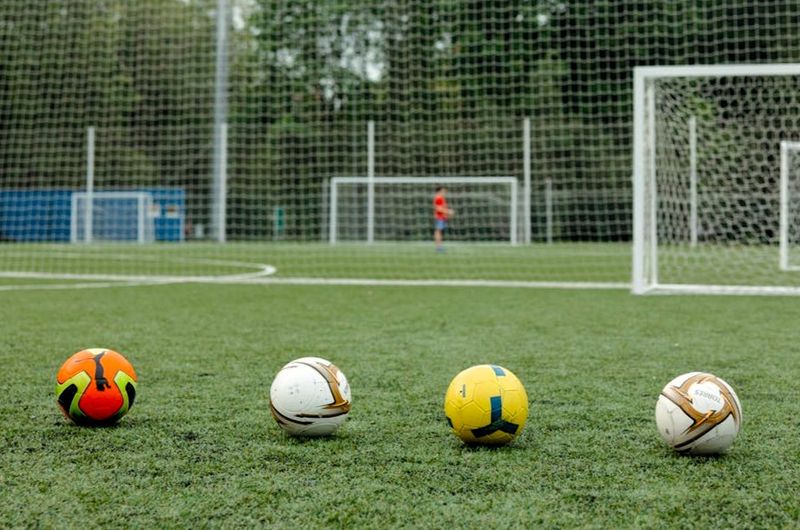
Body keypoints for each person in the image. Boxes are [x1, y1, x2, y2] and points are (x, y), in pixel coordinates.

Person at [433, 186, 453, 252]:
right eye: (443, 191)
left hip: (441, 218)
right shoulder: (438, 198)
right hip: (439, 218)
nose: (444, 193)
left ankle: (439, 247)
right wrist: (448, 211)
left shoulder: (440, 198)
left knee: (439, 232)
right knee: (438, 232)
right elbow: (438, 208)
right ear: (439, 191)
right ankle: (438, 247)